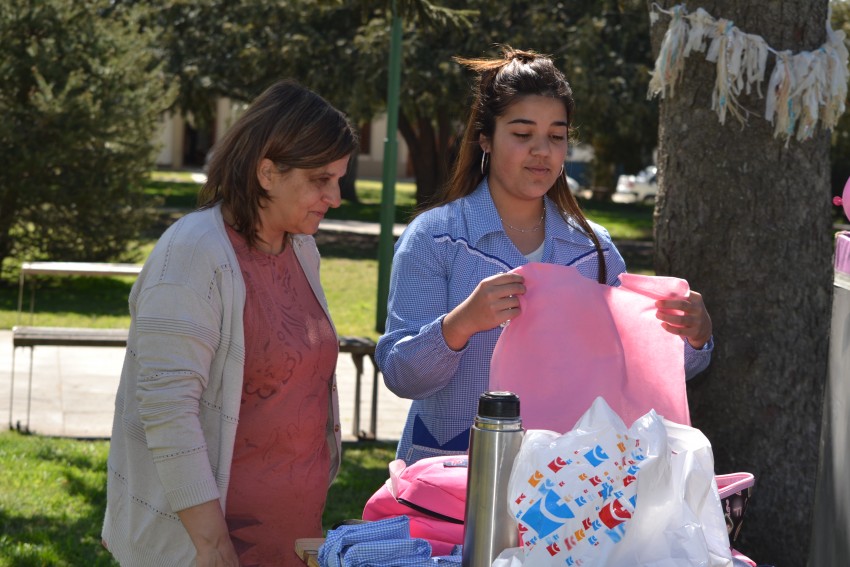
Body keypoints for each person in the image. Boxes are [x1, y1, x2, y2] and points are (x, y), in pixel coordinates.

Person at [375, 47, 714, 466]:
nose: (542, 150)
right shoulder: (434, 238)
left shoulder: (595, 251)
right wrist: (460, 324)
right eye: (522, 134)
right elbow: (400, 374)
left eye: (556, 136)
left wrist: (693, 337)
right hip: (451, 481)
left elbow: (637, 372)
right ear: (485, 138)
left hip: (565, 497)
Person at [102, 79, 359, 566]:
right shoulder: (193, 251)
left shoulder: (301, 246)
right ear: (267, 172)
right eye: (321, 180)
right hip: (206, 548)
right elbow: (167, 408)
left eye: (339, 179)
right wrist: (212, 544)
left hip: (291, 538)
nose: (336, 196)